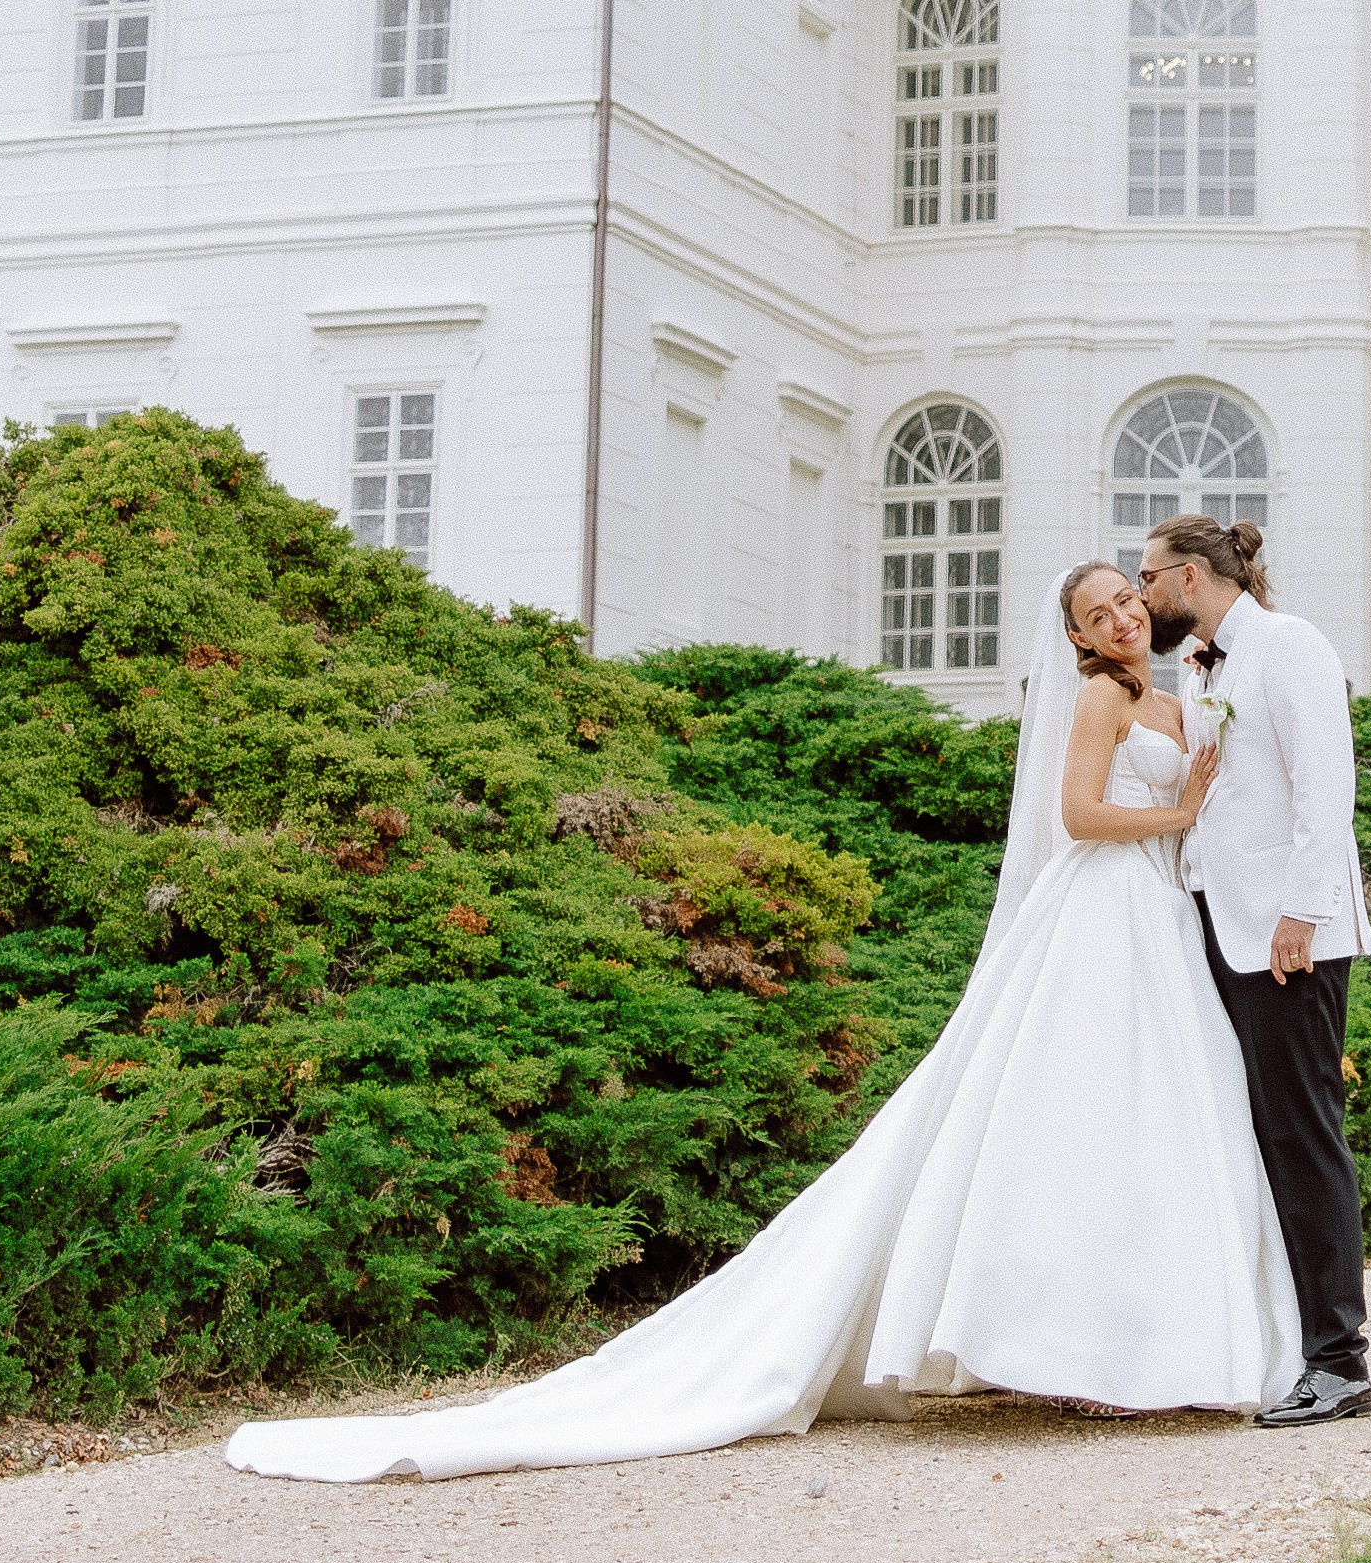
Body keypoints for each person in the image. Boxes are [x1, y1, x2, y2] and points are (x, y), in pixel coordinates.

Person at [223, 563, 1301, 1482]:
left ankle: (1151, 1346)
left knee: (1158, 1124)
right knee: (1076, 1115)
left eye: (1126, 599)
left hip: (1160, 919)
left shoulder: (1170, 699)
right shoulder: (1102, 703)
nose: (1119, 616)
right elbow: (1078, 816)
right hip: (1099, 915)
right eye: (1098, 609)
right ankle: (1088, 1354)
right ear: (1074, 633)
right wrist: (1179, 810)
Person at [1141, 516, 1371, 1428]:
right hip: (1222, 928)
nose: (1144, 592)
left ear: (1191, 576)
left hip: (1288, 938)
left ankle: (1339, 1361)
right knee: (1250, 1139)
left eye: (1148, 576)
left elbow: (1327, 784)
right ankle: (1281, 1345)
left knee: (1301, 1134)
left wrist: (1301, 916)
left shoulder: (1289, 644)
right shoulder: (1202, 666)